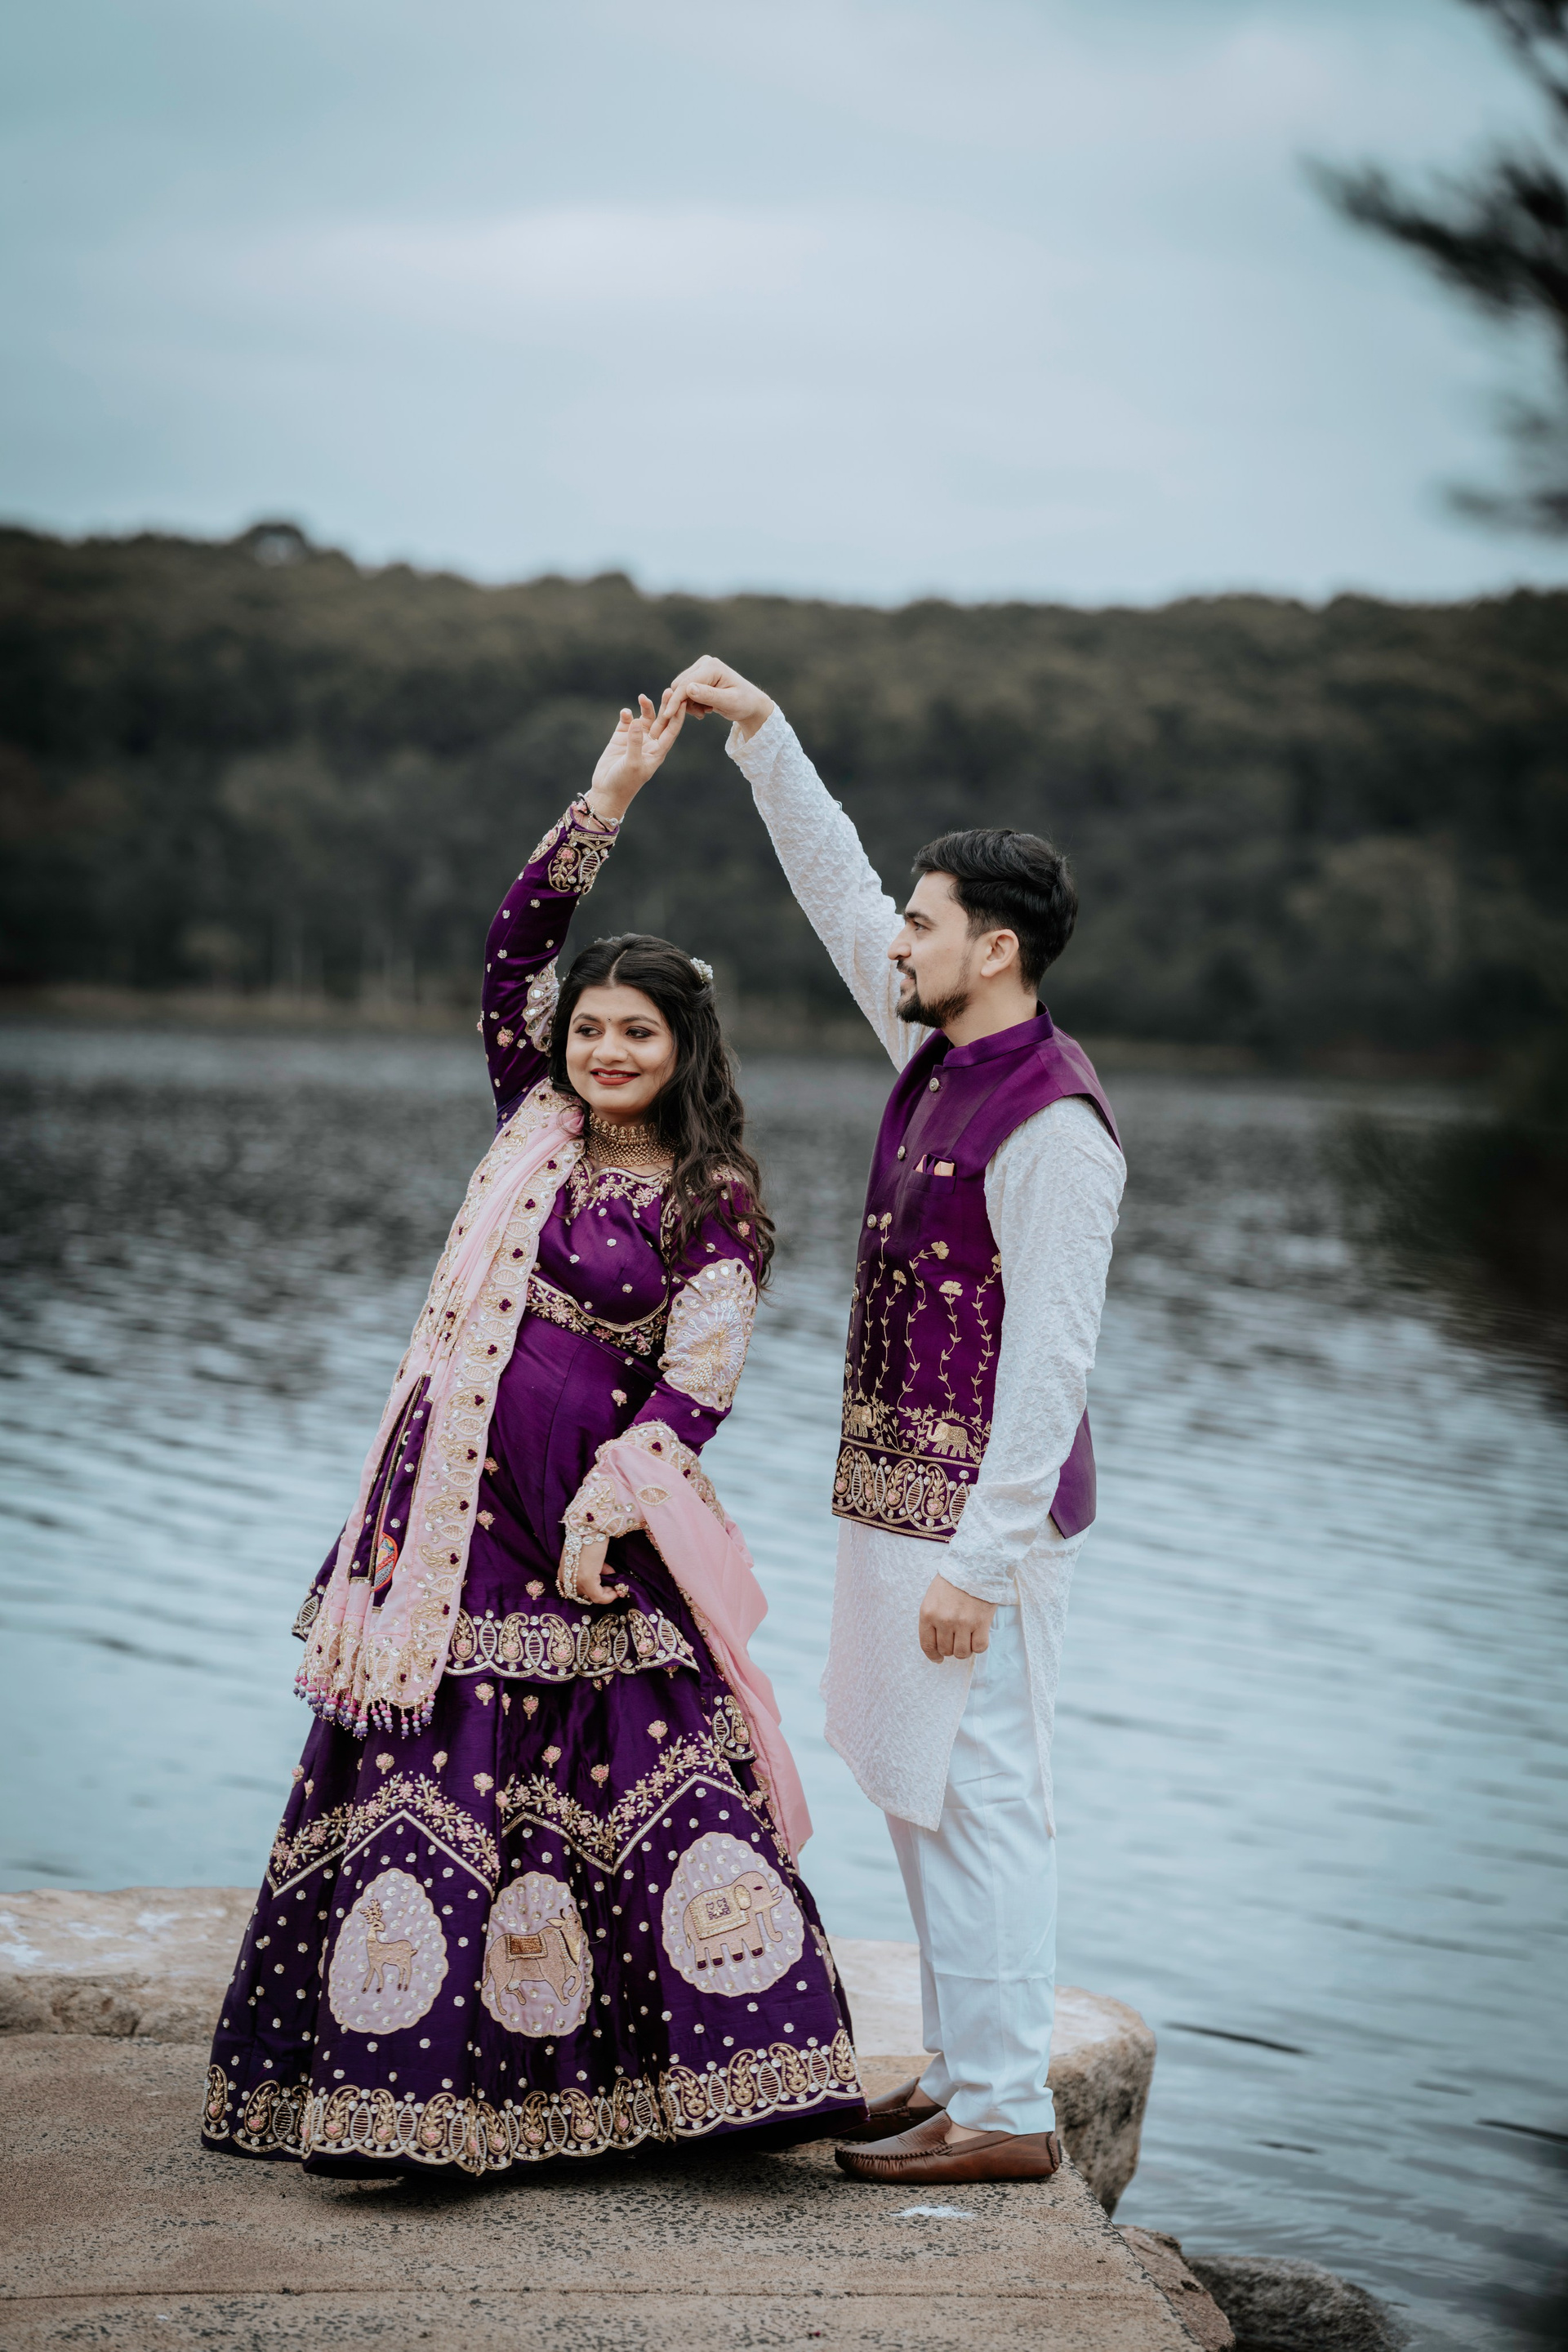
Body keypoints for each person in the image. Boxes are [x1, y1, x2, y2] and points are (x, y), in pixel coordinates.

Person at [202, 694, 864, 2178]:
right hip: (443, 1522)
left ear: (684, 1047)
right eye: (590, 1028)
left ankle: (704, 2089)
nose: (607, 1050)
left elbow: (700, 1383)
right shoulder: (535, 1127)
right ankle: (398, 2103)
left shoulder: (710, 1198)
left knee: (625, 1780)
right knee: (433, 1770)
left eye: (638, 1032)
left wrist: (613, 1501)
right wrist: (607, 795)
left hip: (589, 1532)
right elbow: (511, 952)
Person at [660, 657, 1125, 2187]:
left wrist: (979, 1565)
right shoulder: (938, 1045)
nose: (898, 942)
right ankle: (959, 2071)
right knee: (922, 1799)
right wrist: (762, 736)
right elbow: (835, 889)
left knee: (986, 1803)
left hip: (981, 1530)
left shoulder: (1055, 1124)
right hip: (897, 1506)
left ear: (996, 949)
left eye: (925, 926)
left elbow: (1051, 1364)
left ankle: (1007, 2114)